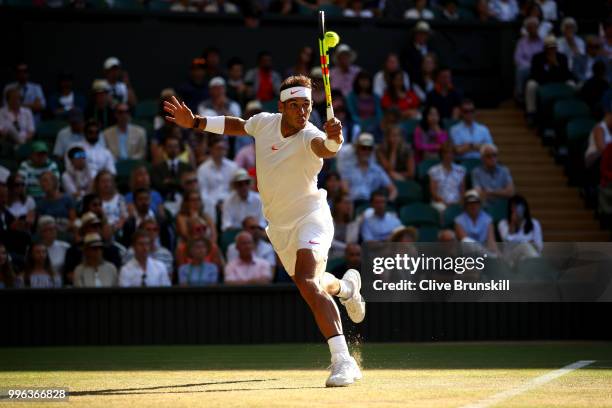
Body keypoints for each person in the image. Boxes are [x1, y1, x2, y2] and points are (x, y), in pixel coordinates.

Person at [165, 74, 364, 386]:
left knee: (306, 281)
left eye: (307, 106)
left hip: (312, 217)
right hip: (279, 227)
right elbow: (237, 124)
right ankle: (347, 289)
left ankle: (343, 360)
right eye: (295, 105)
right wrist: (195, 122)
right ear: (281, 107)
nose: (302, 112)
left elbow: (325, 148)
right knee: (315, 284)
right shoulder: (263, 123)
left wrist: (335, 139)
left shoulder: (310, 135)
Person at [525, 35, 574, 121]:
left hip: (559, 82)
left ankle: (570, 110)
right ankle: (531, 112)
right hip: (542, 82)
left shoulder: (562, 58)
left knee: (571, 84)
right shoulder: (537, 58)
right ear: (544, 48)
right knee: (531, 85)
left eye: (553, 48)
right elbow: (535, 75)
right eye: (549, 48)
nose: (552, 50)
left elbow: (566, 75)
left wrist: (556, 65)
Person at [343, 132, 397, 204]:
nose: (366, 151)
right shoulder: (349, 169)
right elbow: (344, 188)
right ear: (357, 150)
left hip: (371, 206)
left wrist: (386, 203)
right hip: (353, 204)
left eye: (369, 148)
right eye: (363, 148)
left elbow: (393, 190)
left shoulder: (377, 170)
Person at [497, 194, 543, 261]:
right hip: (511, 257)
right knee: (524, 246)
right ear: (510, 208)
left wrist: (527, 244)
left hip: (528, 256)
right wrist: (512, 223)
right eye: (514, 207)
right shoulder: (503, 224)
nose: (517, 210)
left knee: (524, 254)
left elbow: (539, 246)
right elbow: (508, 243)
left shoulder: (534, 223)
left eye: (519, 207)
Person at [197, 138, 238, 208]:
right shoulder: (202, 169)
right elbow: (203, 192)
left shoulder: (233, 166)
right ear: (211, 150)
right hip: (210, 204)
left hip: (231, 202)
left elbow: (235, 188)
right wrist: (214, 204)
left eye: (223, 148)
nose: (221, 151)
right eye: (218, 148)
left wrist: (228, 203)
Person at [151, 133, 194, 200]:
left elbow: (189, 185)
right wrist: (179, 182)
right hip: (163, 200)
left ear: (179, 149)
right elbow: (158, 185)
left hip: (184, 200)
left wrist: (169, 181)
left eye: (175, 146)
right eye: (170, 146)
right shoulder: (158, 168)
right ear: (165, 149)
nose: (173, 149)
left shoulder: (187, 167)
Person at [428, 141, 466, 213]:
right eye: (446, 153)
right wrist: (445, 202)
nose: (449, 155)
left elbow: (462, 191)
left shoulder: (461, 170)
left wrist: (458, 202)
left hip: (457, 202)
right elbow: (433, 192)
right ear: (442, 154)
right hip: (440, 202)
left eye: (451, 153)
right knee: (442, 209)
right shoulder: (434, 170)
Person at [513, 16, 544, 102]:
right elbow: (517, 58)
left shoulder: (543, 41)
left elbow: (545, 57)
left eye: (535, 27)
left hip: (540, 68)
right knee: (521, 70)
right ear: (527, 29)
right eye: (530, 27)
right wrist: (530, 65)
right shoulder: (521, 42)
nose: (533, 29)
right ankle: (520, 96)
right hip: (527, 67)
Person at [93, 170, 127, 235]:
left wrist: (116, 227)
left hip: (118, 230)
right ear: (97, 184)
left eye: (108, 181)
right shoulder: (94, 200)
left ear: (113, 183)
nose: (106, 184)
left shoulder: (120, 198)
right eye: (103, 181)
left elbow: (124, 217)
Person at [401, 21, 433, 85]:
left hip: (430, 82)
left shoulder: (431, 49)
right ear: (415, 34)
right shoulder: (407, 50)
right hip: (413, 83)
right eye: (420, 33)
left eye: (425, 34)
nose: (422, 36)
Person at [330, 192, 360, 260]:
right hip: (331, 256)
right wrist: (346, 247)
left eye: (350, 203)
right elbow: (329, 241)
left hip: (349, 257)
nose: (349, 205)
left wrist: (347, 247)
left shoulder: (354, 223)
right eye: (346, 202)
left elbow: (352, 241)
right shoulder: (328, 221)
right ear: (337, 205)